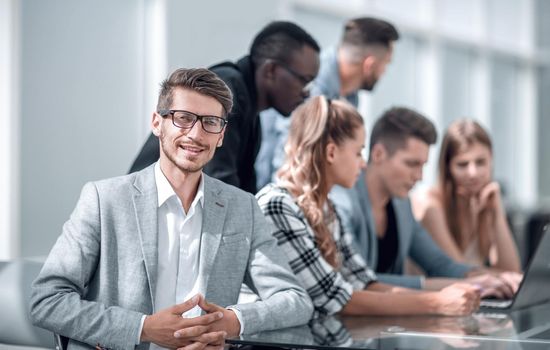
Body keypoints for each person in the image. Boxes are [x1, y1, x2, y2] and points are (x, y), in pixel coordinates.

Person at [30, 68, 313, 350]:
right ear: (157, 123)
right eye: (183, 118)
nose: (196, 134)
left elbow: (294, 300)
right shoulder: (104, 199)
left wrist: (230, 321)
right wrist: (143, 329)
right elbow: (47, 301)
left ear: (222, 135)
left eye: (210, 122)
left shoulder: (243, 207)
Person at [257, 95, 482, 317]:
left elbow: (364, 282)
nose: (363, 163)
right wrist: (436, 303)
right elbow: (336, 298)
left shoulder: (327, 210)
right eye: (358, 152)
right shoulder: (279, 206)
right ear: (331, 153)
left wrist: (449, 293)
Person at [330, 107, 521, 293]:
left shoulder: (401, 205)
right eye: (412, 164)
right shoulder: (344, 201)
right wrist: (464, 286)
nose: (419, 176)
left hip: (392, 321)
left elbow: (438, 263)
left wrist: (491, 278)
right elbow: (357, 280)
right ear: (378, 154)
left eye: (422, 166)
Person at [130, 21, 320, 194]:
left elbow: (241, 196)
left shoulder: (251, 112)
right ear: (271, 71)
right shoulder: (228, 91)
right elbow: (220, 185)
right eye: (304, 81)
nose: (307, 93)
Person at [256, 17, 398, 189]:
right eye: (386, 64)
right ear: (370, 65)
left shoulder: (351, 98)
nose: (385, 72)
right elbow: (287, 155)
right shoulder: (311, 85)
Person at [412, 119, 521, 272]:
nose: (473, 173)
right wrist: (504, 278)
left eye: (481, 162)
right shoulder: (430, 205)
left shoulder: (482, 202)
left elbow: (511, 270)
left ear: (491, 161)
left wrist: (497, 213)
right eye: (462, 164)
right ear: (447, 167)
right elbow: (461, 273)